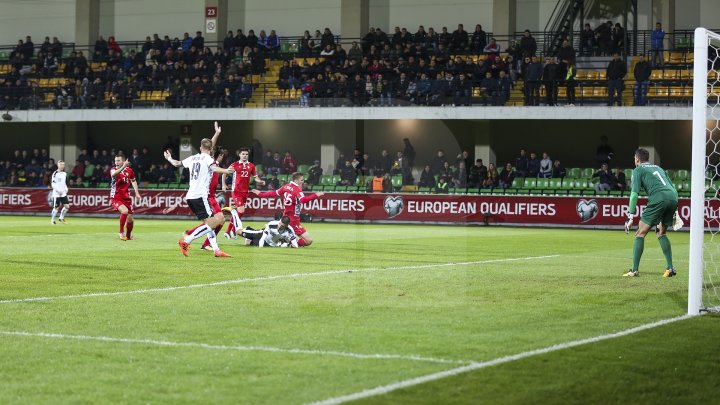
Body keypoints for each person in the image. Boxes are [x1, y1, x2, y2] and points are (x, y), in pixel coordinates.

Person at [164, 122, 234, 258]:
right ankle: (186, 240)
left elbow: (177, 163)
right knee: (214, 223)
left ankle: (216, 250)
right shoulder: (208, 158)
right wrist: (226, 170)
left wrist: (169, 158)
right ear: (211, 149)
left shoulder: (193, 157)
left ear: (200, 147)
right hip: (201, 196)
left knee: (210, 223)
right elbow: (213, 168)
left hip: (190, 196)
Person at [623, 148, 679, 277]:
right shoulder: (659, 168)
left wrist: (630, 216)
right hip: (673, 198)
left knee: (640, 233)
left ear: (637, 159)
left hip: (658, 198)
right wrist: (676, 211)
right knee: (661, 232)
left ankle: (634, 270)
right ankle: (670, 268)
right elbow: (673, 189)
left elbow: (634, 195)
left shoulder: (638, 170)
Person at [251, 172, 324, 247]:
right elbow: (303, 200)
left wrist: (260, 194)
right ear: (296, 181)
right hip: (293, 220)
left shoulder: (286, 186)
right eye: (301, 180)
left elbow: (273, 193)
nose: (303, 182)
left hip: (286, 217)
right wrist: (316, 195)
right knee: (308, 241)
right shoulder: (297, 189)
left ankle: (254, 235)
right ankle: (288, 244)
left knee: (275, 232)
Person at [222, 147, 265, 239]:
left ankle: (229, 231)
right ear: (239, 155)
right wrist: (224, 184)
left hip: (245, 192)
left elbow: (255, 177)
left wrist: (260, 181)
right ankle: (232, 230)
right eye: (243, 154)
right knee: (241, 211)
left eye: (246, 154)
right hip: (236, 191)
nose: (245, 156)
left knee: (239, 213)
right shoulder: (235, 164)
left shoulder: (251, 166)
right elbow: (224, 173)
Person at [110, 154, 141, 241]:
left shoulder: (130, 171)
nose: (116, 162)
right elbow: (114, 174)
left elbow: (133, 181)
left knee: (130, 218)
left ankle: (128, 235)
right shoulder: (113, 169)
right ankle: (121, 232)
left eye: (118, 160)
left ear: (123, 161)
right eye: (115, 161)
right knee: (124, 211)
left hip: (126, 197)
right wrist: (123, 167)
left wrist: (137, 193)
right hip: (116, 197)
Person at [50, 160, 70, 224]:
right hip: (57, 193)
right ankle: (52, 220)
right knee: (56, 207)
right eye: (61, 164)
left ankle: (61, 218)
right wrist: (58, 190)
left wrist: (66, 188)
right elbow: (53, 184)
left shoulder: (64, 174)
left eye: (63, 165)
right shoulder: (55, 173)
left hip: (63, 193)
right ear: (58, 165)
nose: (62, 166)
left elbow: (64, 183)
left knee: (67, 206)